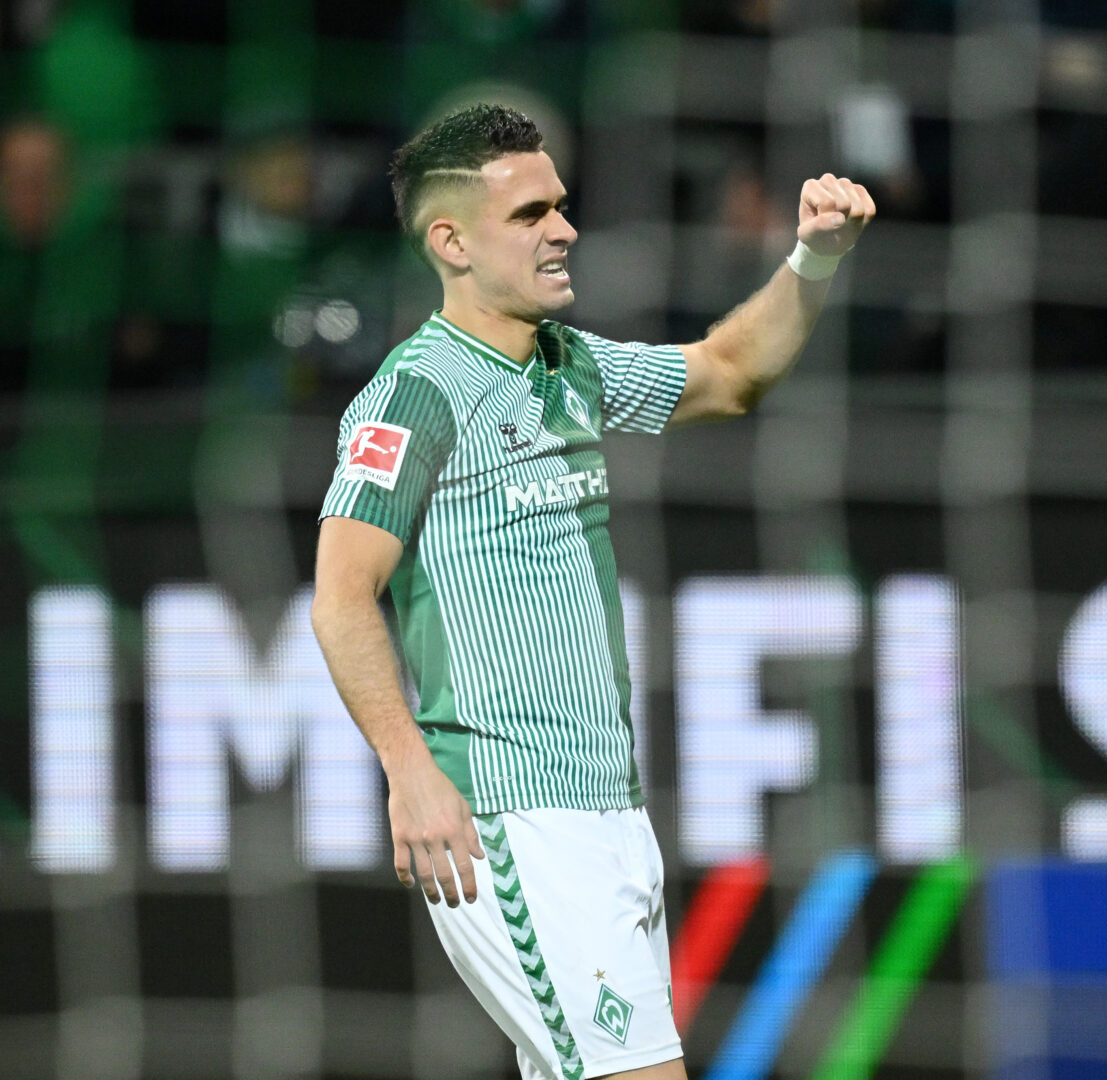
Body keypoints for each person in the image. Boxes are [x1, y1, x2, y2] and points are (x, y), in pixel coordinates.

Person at [309, 103, 873, 1080]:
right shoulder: (416, 394)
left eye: (561, 206)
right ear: (451, 242)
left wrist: (812, 259)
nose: (564, 230)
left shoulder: (568, 365)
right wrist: (410, 771)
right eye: (529, 215)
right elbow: (341, 595)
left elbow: (729, 374)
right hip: (510, 817)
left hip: (609, 809)